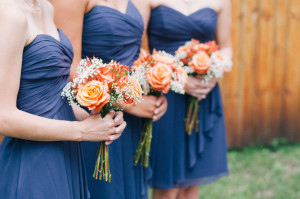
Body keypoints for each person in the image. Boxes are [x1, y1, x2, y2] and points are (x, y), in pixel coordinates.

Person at [0, 0, 127, 198]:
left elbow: (53, 94)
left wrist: (91, 115)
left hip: (65, 152)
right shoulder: (10, 14)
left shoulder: (46, 7)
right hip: (32, 159)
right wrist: (82, 131)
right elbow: (3, 117)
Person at [50, 0, 168, 198]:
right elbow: (68, 66)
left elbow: (133, 51)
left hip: (131, 116)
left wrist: (154, 86)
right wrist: (129, 103)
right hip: (94, 112)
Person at [133, 0, 232, 198]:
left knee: (191, 187)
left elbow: (226, 47)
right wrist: (176, 78)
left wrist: (212, 75)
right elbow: (136, 48)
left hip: (203, 94)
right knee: (167, 188)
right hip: (166, 95)